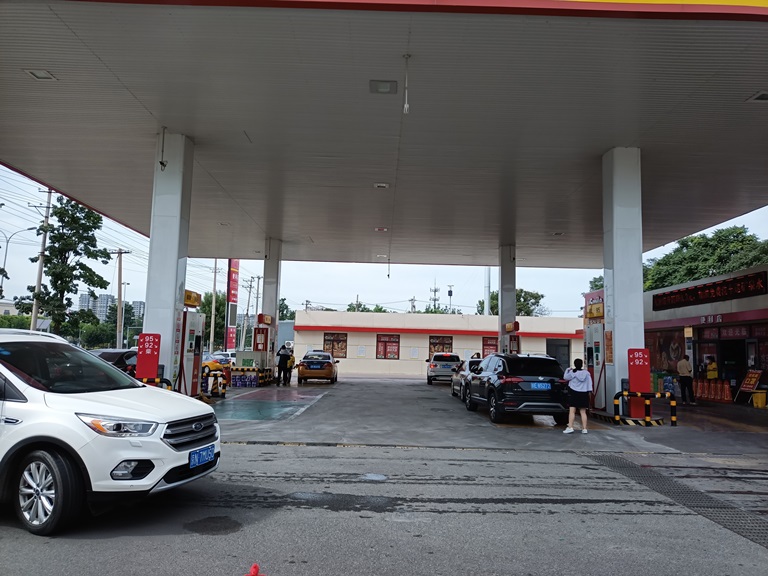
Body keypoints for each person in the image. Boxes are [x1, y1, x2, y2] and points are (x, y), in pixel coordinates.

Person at [563, 358, 593, 435]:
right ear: (582, 364)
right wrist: (589, 392)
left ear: (574, 364)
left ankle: (570, 427)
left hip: (574, 393)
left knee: (572, 411)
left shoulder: (572, 373)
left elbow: (565, 377)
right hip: (584, 394)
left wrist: (567, 370)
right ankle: (584, 429)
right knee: (583, 412)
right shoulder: (586, 373)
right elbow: (590, 384)